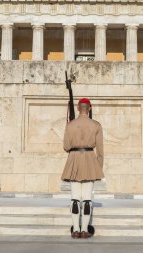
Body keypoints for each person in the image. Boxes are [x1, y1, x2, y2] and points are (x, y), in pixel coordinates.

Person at [61, 98, 104, 239]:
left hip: (74, 160)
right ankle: (85, 230)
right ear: (89, 108)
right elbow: (100, 150)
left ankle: (75, 230)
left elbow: (66, 147)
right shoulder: (96, 125)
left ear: (78, 108)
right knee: (86, 199)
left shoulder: (70, 125)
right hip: (90, 160)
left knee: (74, 198)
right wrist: (98, 167)